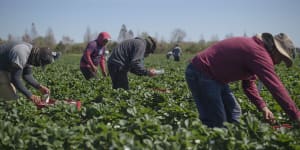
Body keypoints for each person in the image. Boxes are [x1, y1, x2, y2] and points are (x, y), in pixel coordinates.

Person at [185, 33, 300, 128]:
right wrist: (296, 116)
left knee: (234, 113)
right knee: (216, 121)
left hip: (216, 78)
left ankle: (232, 141)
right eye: (281, 58)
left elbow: (248, 84)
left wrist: (263, 107)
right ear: (275, 50)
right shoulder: (258, 53)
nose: (279, 62)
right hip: (201, 73)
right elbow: (276, 87)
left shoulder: (256, 51)